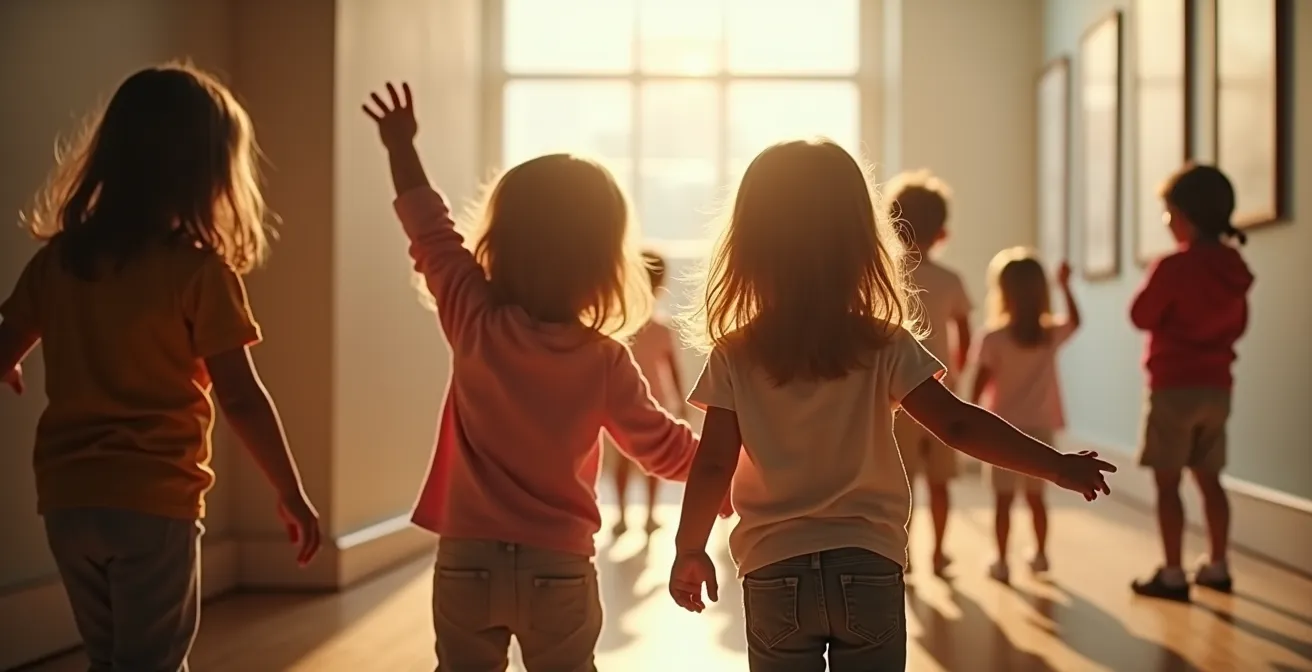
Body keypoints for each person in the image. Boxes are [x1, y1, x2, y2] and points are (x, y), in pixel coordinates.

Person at [666, 139, 1115, 671]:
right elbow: (956, 423)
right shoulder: (883, 342)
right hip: (868, 561)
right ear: (861, 242)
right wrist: (1056, 465)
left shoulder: (735, 353)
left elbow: (715, 461)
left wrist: (689, 548)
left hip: (773, 567)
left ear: (749, 245)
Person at [362, 83, 704, 671]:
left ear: (499, 241)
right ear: (604, 265)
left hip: (467, 557)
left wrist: (401, 147)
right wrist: (738, 467)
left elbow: (429, 229)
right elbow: (665, 448)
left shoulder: (473, 317)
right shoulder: (603, 360)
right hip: (559, 565)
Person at [0, 63, 321, 671]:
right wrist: (290, 491)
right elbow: (241, 397)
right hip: (154, 503)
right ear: (210, 176)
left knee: (108, 657)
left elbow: (5, 342)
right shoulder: (199, 275)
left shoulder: (60, 263)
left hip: (67, 501)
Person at [1129, 164, 1253, 602]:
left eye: (1167, 215)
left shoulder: (1174, 267)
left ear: (1184, 217)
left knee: (1167, 483)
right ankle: (1218, 565)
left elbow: (1141, 315)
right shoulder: (1234, 267)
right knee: (1210, 478)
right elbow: (1239, 325)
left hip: (1173, 386)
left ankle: (1174, 572)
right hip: (1217, 387)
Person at [971, 250, 1081, 584]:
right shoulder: (1048, 335)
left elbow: (978, 388)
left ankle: (1002, 560)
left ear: (1002, 291)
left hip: (1001, 431)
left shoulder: (992, 337)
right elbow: (1076, 321)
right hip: (1040, 429)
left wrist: (970, 421)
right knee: (1037, 498)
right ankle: (1041, 554)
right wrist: (1066, 286)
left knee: (1003, 500)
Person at [883, 169, 972, 575]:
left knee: (900, 481)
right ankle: (938, 553)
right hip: (939, 392)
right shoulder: (951, 280)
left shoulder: (886, 274)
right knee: (940, 482)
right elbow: (964, 332)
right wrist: (955, 371)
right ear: (942, 233)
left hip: (896, 395)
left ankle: (904, 556)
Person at [609, 250, 687, 537]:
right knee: (644, 463)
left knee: (631, 462)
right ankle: (632, 515)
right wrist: (680, 402)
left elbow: (672, 368)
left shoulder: (628, 327)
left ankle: (636, 515)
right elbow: (673, 369)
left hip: (641, 403)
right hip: (645, 403)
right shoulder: (644, 328)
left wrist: (679, 402)